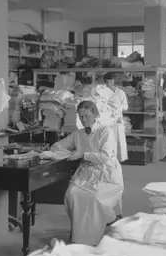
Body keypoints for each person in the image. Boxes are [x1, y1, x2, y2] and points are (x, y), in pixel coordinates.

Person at [50, 100, 124, 246]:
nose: (83, 120)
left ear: (95, 115)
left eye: (87, 116)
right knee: (72, 194)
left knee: (94, 197)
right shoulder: (78, 134)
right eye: (81, 116)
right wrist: (57, 147)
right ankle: (79, 234)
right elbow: (61, 144)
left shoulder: (105, 131)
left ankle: (93, 235)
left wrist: (82, 154)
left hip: (105, 172)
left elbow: (104, 156)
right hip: (86, 173)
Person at [104, 72, 128, 163]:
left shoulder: (120, 92)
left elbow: (125, 106)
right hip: (106, 120)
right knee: (107, 139)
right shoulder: (102, 92)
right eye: (107, 82)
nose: (109, 84)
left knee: (118, 140)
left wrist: (117, 107)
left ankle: (118, 160)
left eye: (110, 81)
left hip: (117, 119)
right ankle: (108, 158)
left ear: (113, 81)